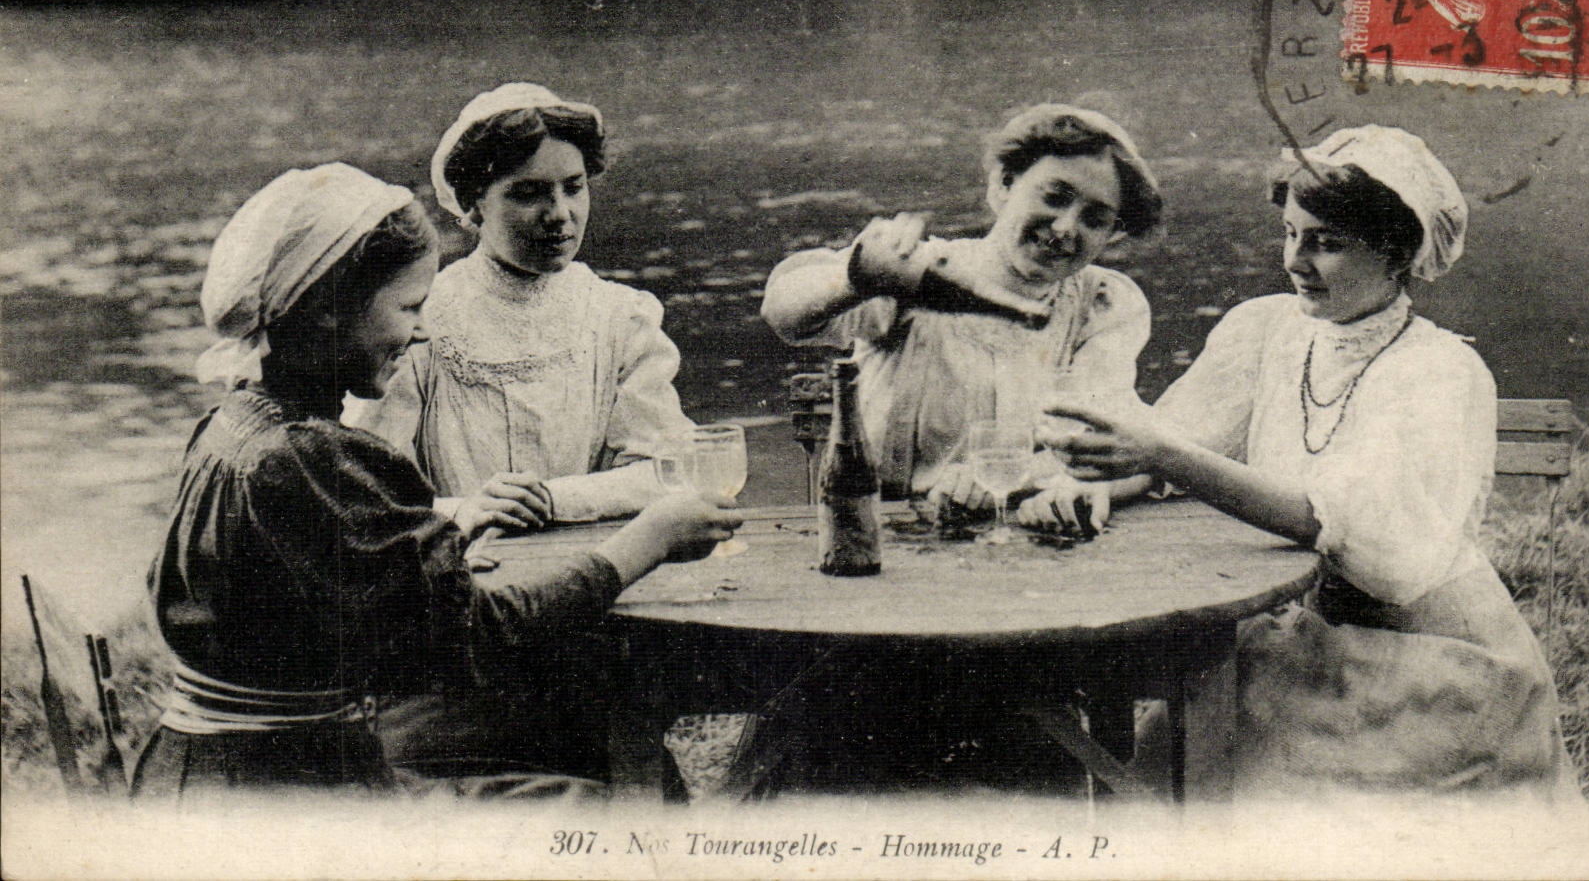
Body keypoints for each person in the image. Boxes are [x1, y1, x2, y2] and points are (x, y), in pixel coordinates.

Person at [131, 164, 740, 799]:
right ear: (331, 311)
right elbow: (482, 637)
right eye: (409, 307)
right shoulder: (318, 459)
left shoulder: (234, 423)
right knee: (605, 807)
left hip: (196, 771)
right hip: (285, 792)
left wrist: (438, 527)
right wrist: (648, 539)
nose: (422, 331)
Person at [1041, 126, 1580, 799]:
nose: (1297, 260)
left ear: (1395, 253)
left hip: (1436, 660)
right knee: (1166, 793)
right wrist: (1101, 485)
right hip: (1309, 638)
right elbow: (1173, 440)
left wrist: (1161, 453)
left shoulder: (1441, 371)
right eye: (1291, 234)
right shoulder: (1267, 329)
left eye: (1326, 242)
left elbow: (1354, 532)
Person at [760, 104, 1161, 531]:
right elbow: (784, 313)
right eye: (1055, 197)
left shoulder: (1103, 304)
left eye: (1095, 219)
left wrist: (1006, 477)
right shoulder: (917, 270)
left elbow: (1101, 441)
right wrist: (855, 279)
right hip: (890, 528)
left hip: (1023, 527)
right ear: (1005, 184)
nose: (1065, 228)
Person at [345, 82, 692, 525]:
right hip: (457, 564)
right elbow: (365, 492)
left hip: (596, 560)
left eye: (573, 187)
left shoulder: (621, 317)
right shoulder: (419, 322)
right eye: (528, 194)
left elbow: (669, 472)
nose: (560, 213)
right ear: (474, 205)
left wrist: (551, 500)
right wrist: (465, 512)